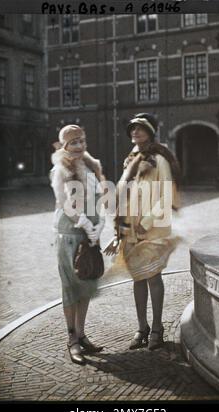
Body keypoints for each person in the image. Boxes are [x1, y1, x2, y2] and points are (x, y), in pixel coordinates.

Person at [105, 113, 181, 351]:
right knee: (138, 278)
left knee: (153, 276)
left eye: (140, 128)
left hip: (153, 229)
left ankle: (157, 328)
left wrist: (144, 223)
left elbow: (166, 196)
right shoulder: (129, 161)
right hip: (131, 231)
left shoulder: (160, 160)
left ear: (150, 132)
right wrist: (119, 232)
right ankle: (142, 327)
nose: (135, 132)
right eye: (132, 129)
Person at [50, 124, 105, 365]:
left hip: (90, 235)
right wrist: (85, 224)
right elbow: (64, 204)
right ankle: (72, 340)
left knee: (86, 286)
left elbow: (99, 200)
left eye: (81, 140)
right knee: (71, 288)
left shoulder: (92, 166)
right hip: (70, 234)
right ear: (64, 145)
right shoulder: (60, 170)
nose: (79, 145)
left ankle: (82, 335)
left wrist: (98, 226)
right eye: (73, 142)